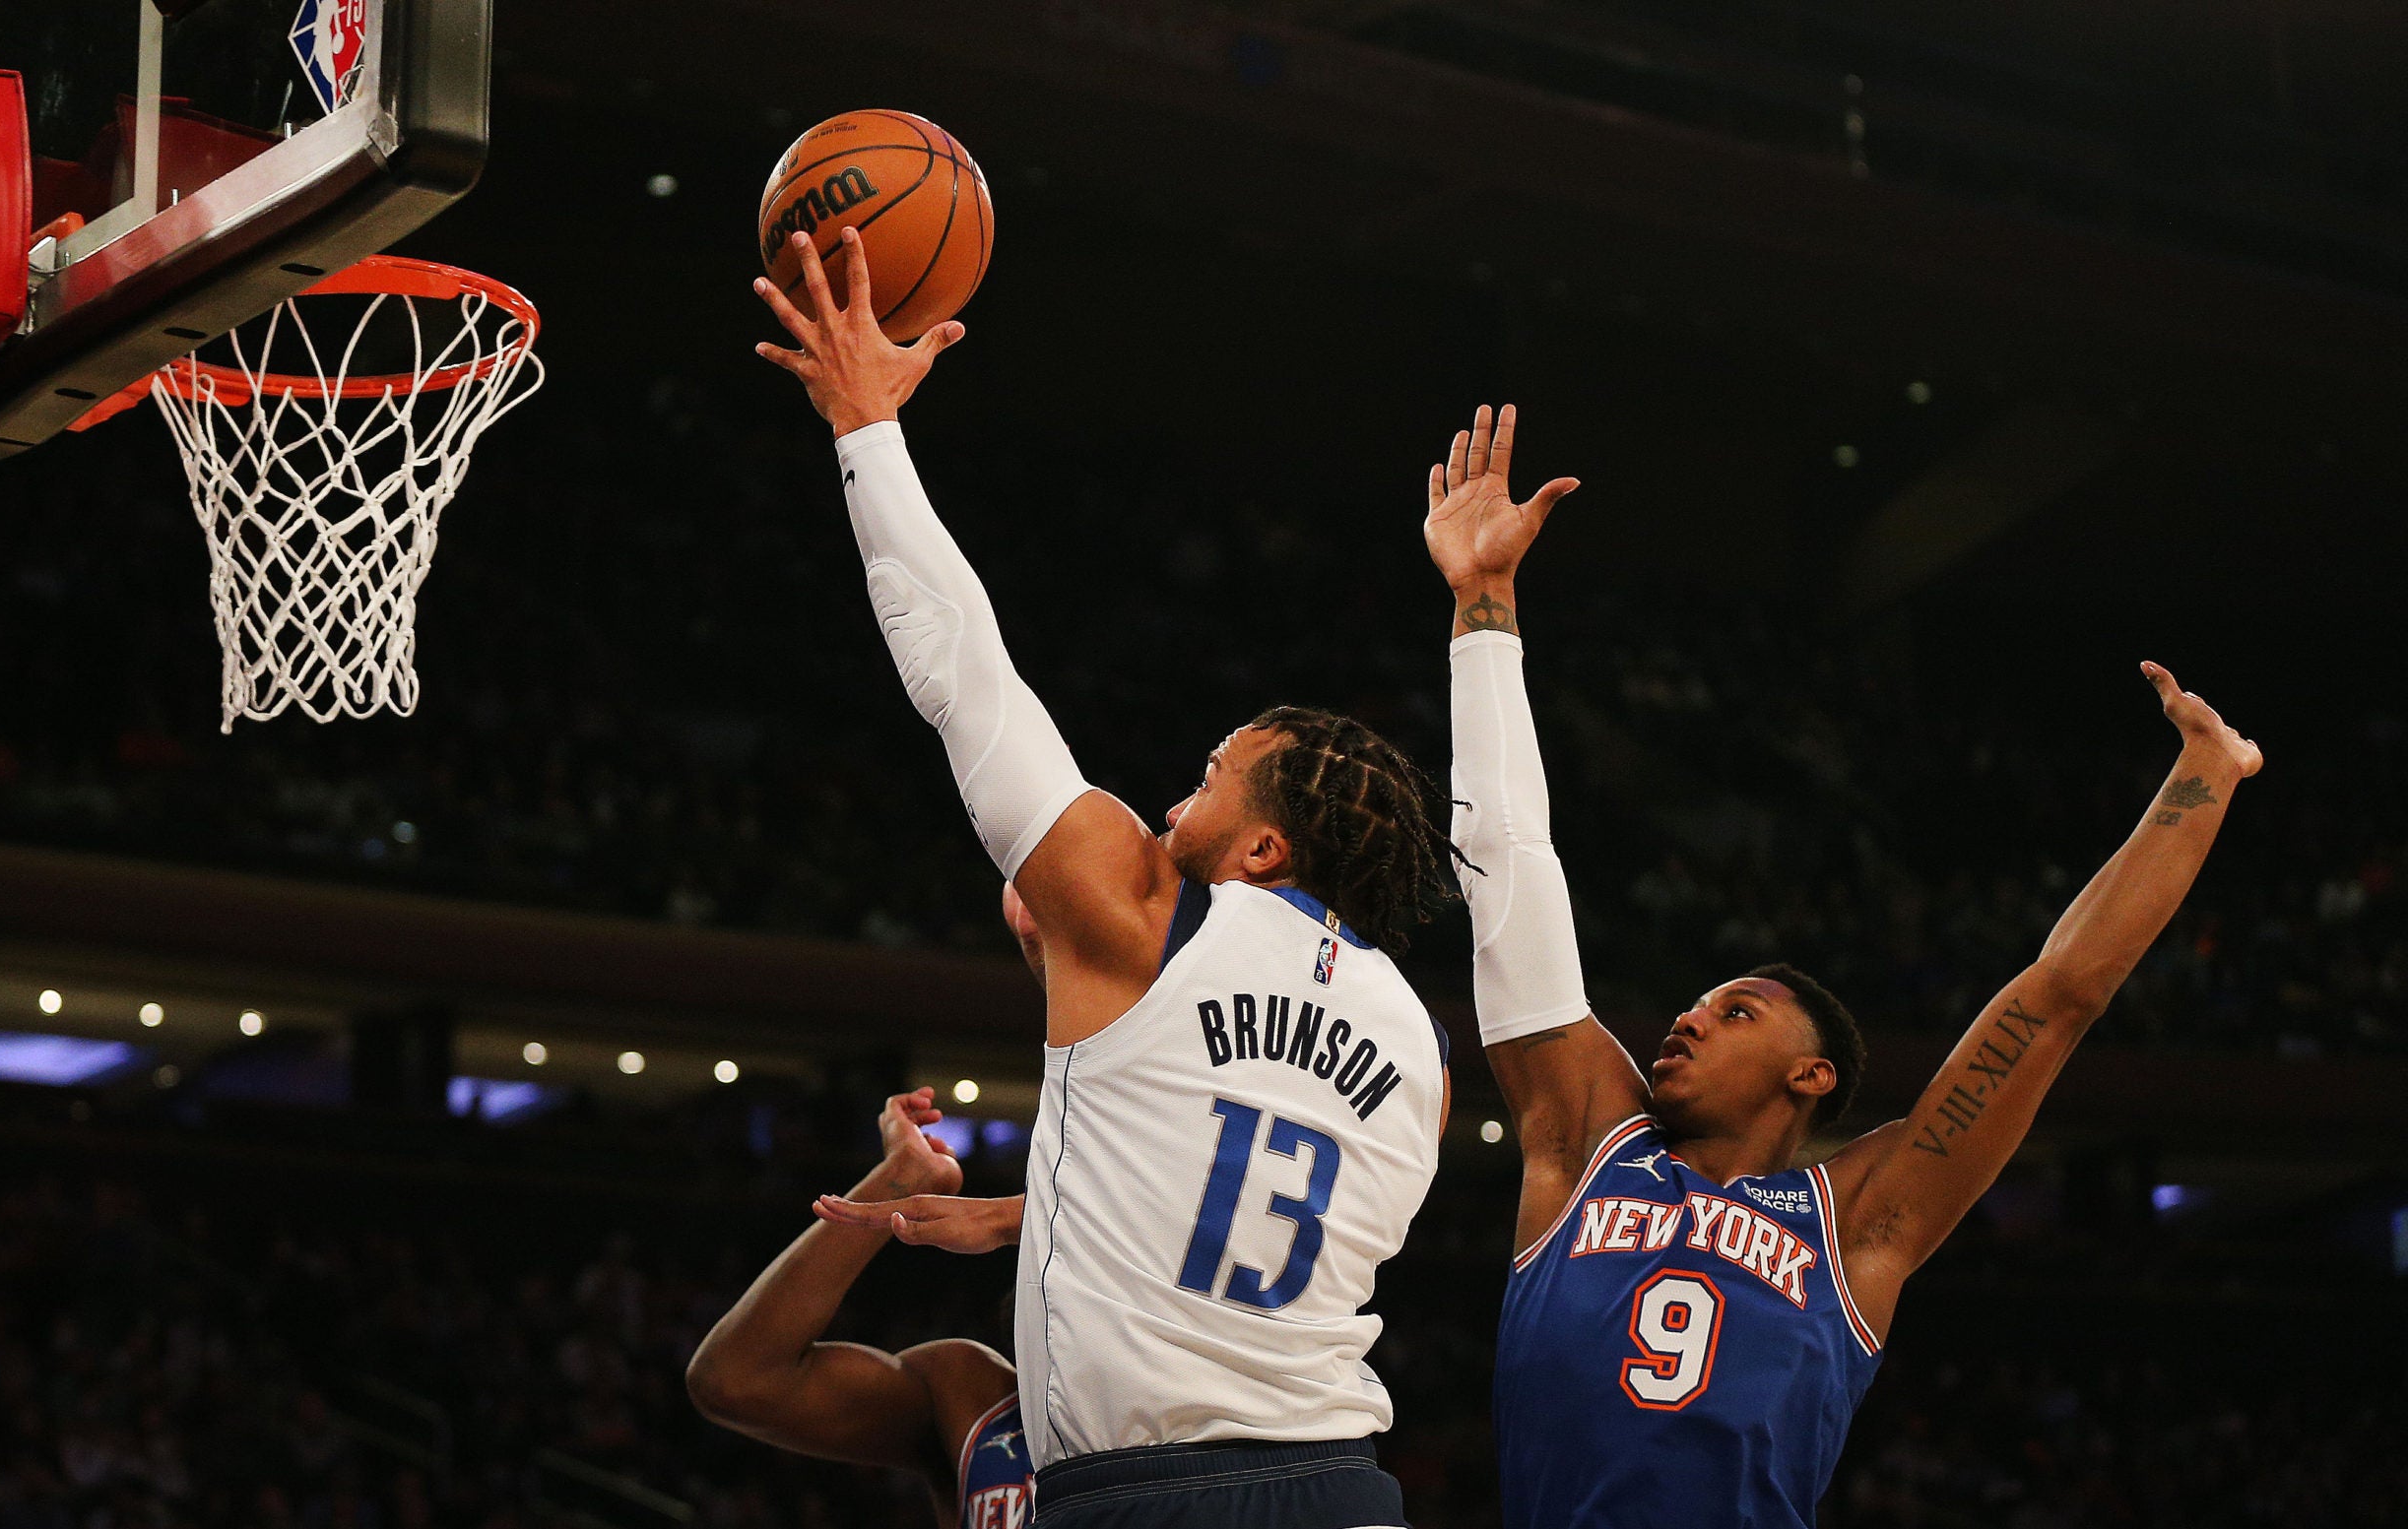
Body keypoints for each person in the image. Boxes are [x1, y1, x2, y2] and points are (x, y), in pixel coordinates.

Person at [1422, 405, 2263, 1528]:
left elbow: (2057, 997)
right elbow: (1503, 859)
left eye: (1736, 1008)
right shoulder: (1583, 1139)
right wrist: (1484, 604)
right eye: (1697, 1002)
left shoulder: (1861, 1216)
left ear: (1812, 1074)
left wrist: (2197, 783)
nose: (1688, 1016)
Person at [749, 229, 1453, 1528]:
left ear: (1263, 848)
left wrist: (865, 427)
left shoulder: (1150, 914)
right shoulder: (1419, 1045)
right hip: (1345, 1489)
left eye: (1215, 771)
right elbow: (1254, 1217)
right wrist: (1041, 1209)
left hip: (1150, 1494)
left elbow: (969, 682)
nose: (1184, 786)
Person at [685, 1088, 1032, 1528]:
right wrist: (903, 1176)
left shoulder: (1148, 1406)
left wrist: (1016, 1216)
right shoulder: (971, 1396)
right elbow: (735, 1379)